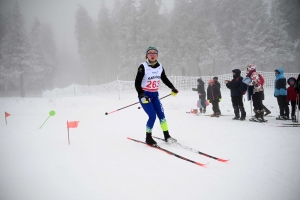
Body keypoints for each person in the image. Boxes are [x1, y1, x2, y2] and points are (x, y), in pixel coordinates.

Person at [134, 46, 178, 146]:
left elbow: (164, 78)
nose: (152, 55)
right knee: (152, 116)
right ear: (147, 55)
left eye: (154, 53)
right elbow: (137, 82)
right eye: (150, 53)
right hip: (145, 95)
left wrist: (172, 87)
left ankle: (167, 136)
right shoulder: (143, 66)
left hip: (155, 95)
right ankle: (148, 137)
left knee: (162, 116)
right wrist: (141, 94)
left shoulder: (160, 66)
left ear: (157, 55)